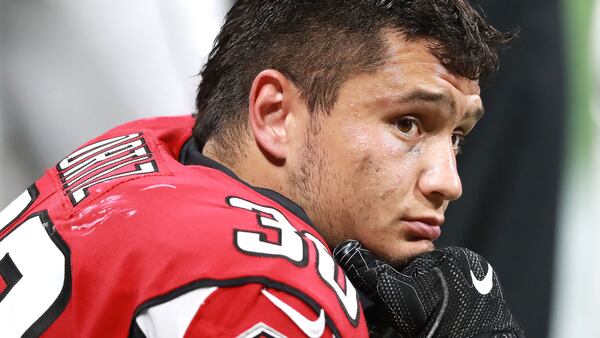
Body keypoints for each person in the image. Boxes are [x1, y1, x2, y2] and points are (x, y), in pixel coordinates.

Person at [0, 0, 522, 337]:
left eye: (456, 137)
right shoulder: (269, 287)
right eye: (408, 123)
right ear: (275, 114)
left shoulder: (156, 143)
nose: (448, 183)